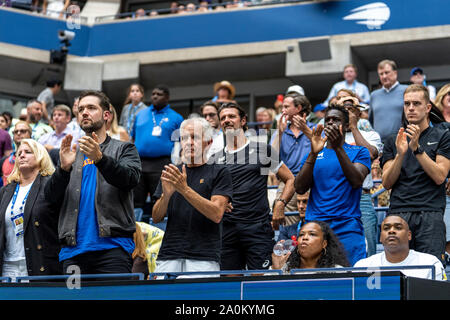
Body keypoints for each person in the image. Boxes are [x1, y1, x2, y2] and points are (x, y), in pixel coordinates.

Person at [44, 90, 142, 275]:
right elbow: (49, 198)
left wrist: (100, 159)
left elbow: (130, 179)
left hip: (113, 249)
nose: (84, 113)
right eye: (81, 109)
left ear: (107, 115)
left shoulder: (124, 149)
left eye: (91, 108)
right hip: (73, 253)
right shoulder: (69, 154)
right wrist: (63, 171)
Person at [210, 102, 295, 271]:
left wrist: (280, 203)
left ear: (243, 121)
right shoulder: (215, 158)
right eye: (223, 118)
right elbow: (206, 192)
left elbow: (290, 179)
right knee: (229, 286)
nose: (227, 120)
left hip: (257, 229)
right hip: (226, 231)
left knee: (260, 283)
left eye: (231, 116)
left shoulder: (262, 150)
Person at [152, 118, 232, 276]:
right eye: (184, 138)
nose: (188, 142)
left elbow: (216, 214)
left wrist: (184, 189)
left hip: (203, 257)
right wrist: (166, 196)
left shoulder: (220, 172)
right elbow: (156, 217)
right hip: (169, 254)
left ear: (208, 142)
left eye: (194, 137)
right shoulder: (171, 172)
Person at [381, 84, 450, 265]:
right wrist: (401, 154)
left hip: (430, 213)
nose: (410, 108)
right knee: (398, 273)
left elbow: (440, 176)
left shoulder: (443, 135)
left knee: (431, 274)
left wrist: (417, 149)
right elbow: (387, 182)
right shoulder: (392, 140)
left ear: (427, 108)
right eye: (407, 104)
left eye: (416, 103)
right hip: (398, 212)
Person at [295, 105, 371, 266]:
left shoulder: (359, 152)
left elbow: (357, 181)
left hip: (347, 226)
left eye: (336, 120)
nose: (330, 123)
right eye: (327, 120)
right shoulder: (315, 152)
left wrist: (337, 148)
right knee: (314, 278)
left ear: (347, 125)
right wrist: (313, 153)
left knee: (350, 278)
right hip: (316, 227)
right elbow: (300, 187)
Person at [0, 139, 61, 281]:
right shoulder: (5, 191)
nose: (21, 155)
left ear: (40, 156)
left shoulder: (49, 185)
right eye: (19, 153)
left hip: (38, 262)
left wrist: (64, 167)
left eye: (28, 152)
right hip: (8, 266)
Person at [339, 96, 382, 257]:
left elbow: (371, 153)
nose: (347, 112)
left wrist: (354, 127)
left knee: (368, 249)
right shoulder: (329, 138)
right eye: (344, 109)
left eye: (351, 108)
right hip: (337, 197)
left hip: (362, 197)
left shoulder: (371, 135)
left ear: (358, 112)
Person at [131, 85, 183, 215]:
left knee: (160, 198)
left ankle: (159, 232)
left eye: (159, 94)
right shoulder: (140, 114)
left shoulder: (176, 118)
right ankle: (134, 232)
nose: (154, 96)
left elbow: (182, 143)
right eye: (153, 94)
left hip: (162, 163)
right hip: (139, 163)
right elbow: (132, 138)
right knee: (135, 201)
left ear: (167, 97)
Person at [354, 215, 446, 281]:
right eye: (386, 228)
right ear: (380, 238)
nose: (392, 231)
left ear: (409, 235)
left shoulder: (430, 263)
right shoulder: (363, 266)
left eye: (398, 228)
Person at [272, 93, 314, 226]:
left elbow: (322, 147)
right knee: (286, 225)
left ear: (299, 108)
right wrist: (279, 133)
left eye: (286, 106)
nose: (282, 110)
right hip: (287, 182)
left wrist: (305, 129)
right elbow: (270, 158)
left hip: (312, 182)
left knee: (312, 223)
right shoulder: (280, 130)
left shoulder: (314, 129)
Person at [272, 221, 350, 273]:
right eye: (301, 234)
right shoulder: (285, 269)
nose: (304, 238)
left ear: (324, 244)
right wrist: (276, 271)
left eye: (312, 234)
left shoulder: (337, 271)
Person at [369, 59, 408, 143]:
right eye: (381, 74)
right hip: (379, 144)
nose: (384, 76)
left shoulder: (407, 90)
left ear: (395, 73)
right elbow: (370, 121)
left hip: (402, 142)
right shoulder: (374, 95)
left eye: (387, 72)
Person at [0, 121, 32, 186]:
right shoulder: (4, 160)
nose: (19, 133)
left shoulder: (37, 157)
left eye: (23, 131)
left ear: (30, 134)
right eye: (15, 132)